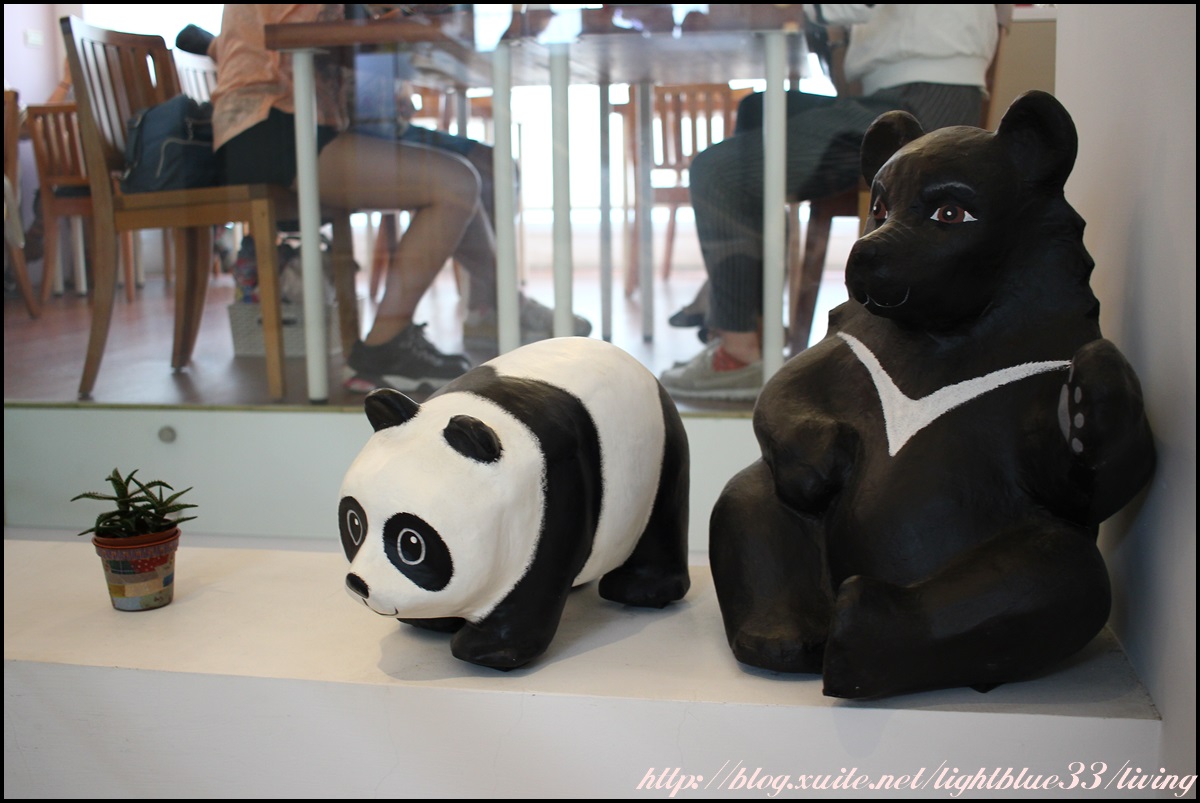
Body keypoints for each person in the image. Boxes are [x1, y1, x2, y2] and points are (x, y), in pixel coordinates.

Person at [209, 4, 589, 395]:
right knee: (456, 185)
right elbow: (334, 35)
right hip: (268, 126)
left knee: (465, 180)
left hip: (301, 121)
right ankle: (386, 347)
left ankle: (494, 308)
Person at [660, 4, 1005, 401]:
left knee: (717, 172)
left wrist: (752, 13)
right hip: (901, 90)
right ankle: (751, 321)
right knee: (757, 108)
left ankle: (738, 353)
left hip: (921, 103)